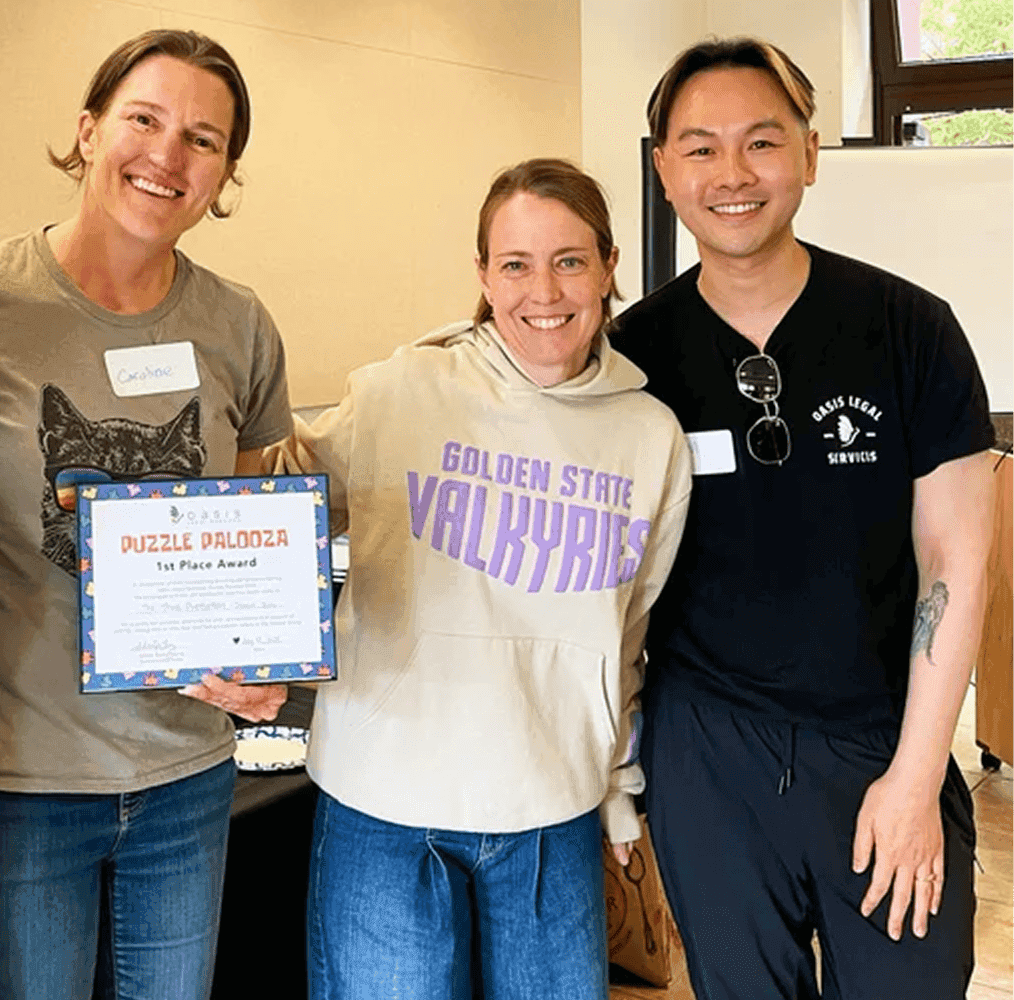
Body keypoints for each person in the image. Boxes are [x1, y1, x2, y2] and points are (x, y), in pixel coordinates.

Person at [0, 29, 292, 1000]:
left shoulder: (237, 324)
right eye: (143, 119)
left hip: (186, 773)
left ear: (226, 172)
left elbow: (252, 526)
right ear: (87, 129)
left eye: (204, 138)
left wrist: (266, 654)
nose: (168, 155)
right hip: (9, 781)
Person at [611, 37, 996, 1000]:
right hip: (707, 753)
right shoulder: (632, 356)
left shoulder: (909, 329)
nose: (731, 175)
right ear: (663, 168)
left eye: (762, 142)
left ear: (811, 155)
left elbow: (956, 557)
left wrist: (915, 778)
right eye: (699, 148)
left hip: (878, 737)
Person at [273, 159, 692, 1000]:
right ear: (483, 276)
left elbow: (628, 637)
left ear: (610, 267)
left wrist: (617, 791)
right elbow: (280, 508)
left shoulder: (651, 436)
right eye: (516, 264)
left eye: (570, 260)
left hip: (552, 812)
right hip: (382, 807)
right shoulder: (398, 390)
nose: (545, 289)